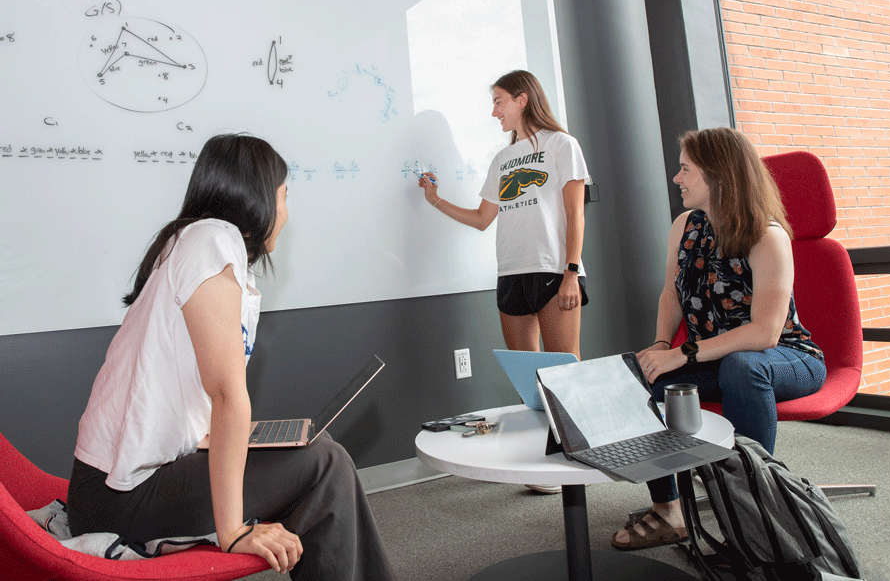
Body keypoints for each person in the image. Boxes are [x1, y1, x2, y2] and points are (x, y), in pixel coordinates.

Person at [68, 133, 395, 581]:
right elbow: (227, 394)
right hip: (119, 497)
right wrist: (233, 531)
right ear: (258, 197)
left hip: (117, 485)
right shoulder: (212, 241)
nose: (286, 211)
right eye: (285, 195)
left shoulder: (192, 240)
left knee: (319, 453)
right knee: (325, 462)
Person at [611, 127, 826, 551]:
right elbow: (671, 291)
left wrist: (684, 352)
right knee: (640, 376)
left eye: (686, 169)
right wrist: (659, 346)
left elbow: (765, 333)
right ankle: (668, 510)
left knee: (742, 367)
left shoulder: (767, 236)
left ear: (719, 174)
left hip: (786, 356)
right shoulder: (684, 227)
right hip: (714, 357)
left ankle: (754, 518)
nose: (677, 178)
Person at [418, 69, 589, 359]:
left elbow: (576, 215)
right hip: (511, 273)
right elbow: (482, 219)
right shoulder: (502, 159)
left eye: (499, 102)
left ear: (522, 100)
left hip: (554, 271)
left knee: (564, 376)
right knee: (526, 377)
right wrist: (435, 200)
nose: (494, 112)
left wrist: (571, 273)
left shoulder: (561, 144)